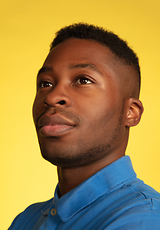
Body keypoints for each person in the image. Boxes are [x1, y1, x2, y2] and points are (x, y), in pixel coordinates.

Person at [9, 23, 160, 230]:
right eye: (45, 84)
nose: (52, 97)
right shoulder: (25, 220)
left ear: (130, 112)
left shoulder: (145, 218)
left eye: (83, 80)